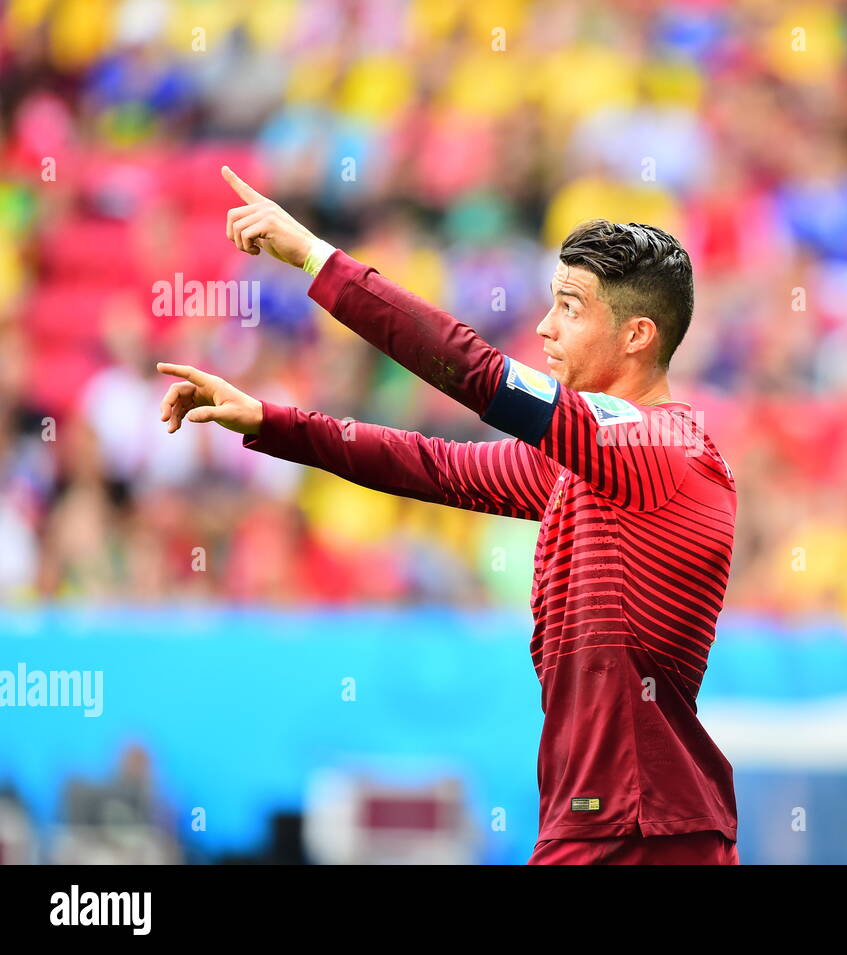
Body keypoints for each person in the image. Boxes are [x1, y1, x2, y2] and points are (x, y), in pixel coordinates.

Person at [156, 167, 740, 865]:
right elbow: (434, 465)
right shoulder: (588, 460)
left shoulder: (658, 444)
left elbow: (479, 373)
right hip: (610, 820)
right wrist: (271, 421)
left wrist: (316, 259)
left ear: (637, 334)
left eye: (570, 307)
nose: (544, 327)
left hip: (638, 828)